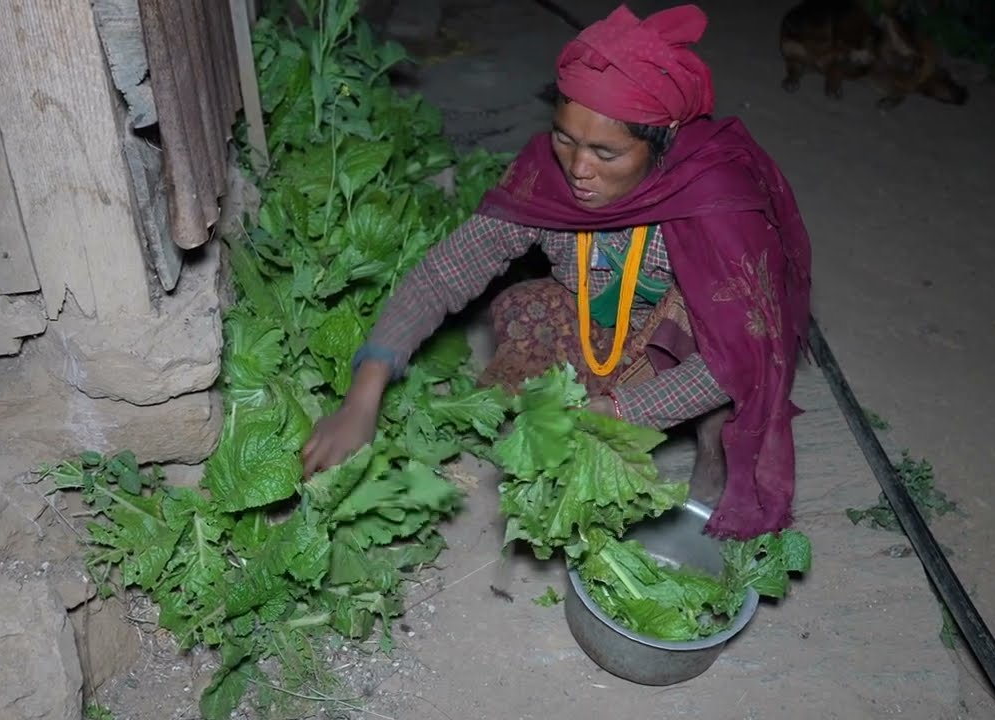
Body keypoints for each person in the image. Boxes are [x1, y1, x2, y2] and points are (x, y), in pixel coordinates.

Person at [302, 3, 812, 540]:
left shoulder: (716, 206)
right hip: (609, 329)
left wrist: (614, 412)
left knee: (715, 331)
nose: (578, 168)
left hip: (699, 343)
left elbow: (744, 354)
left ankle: (711, 447)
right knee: (527, 308)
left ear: (661, 146)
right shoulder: (547, 178)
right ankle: (590, 415)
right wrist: (364, 393)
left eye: (606, 153)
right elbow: (443, 274)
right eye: (565, 138)